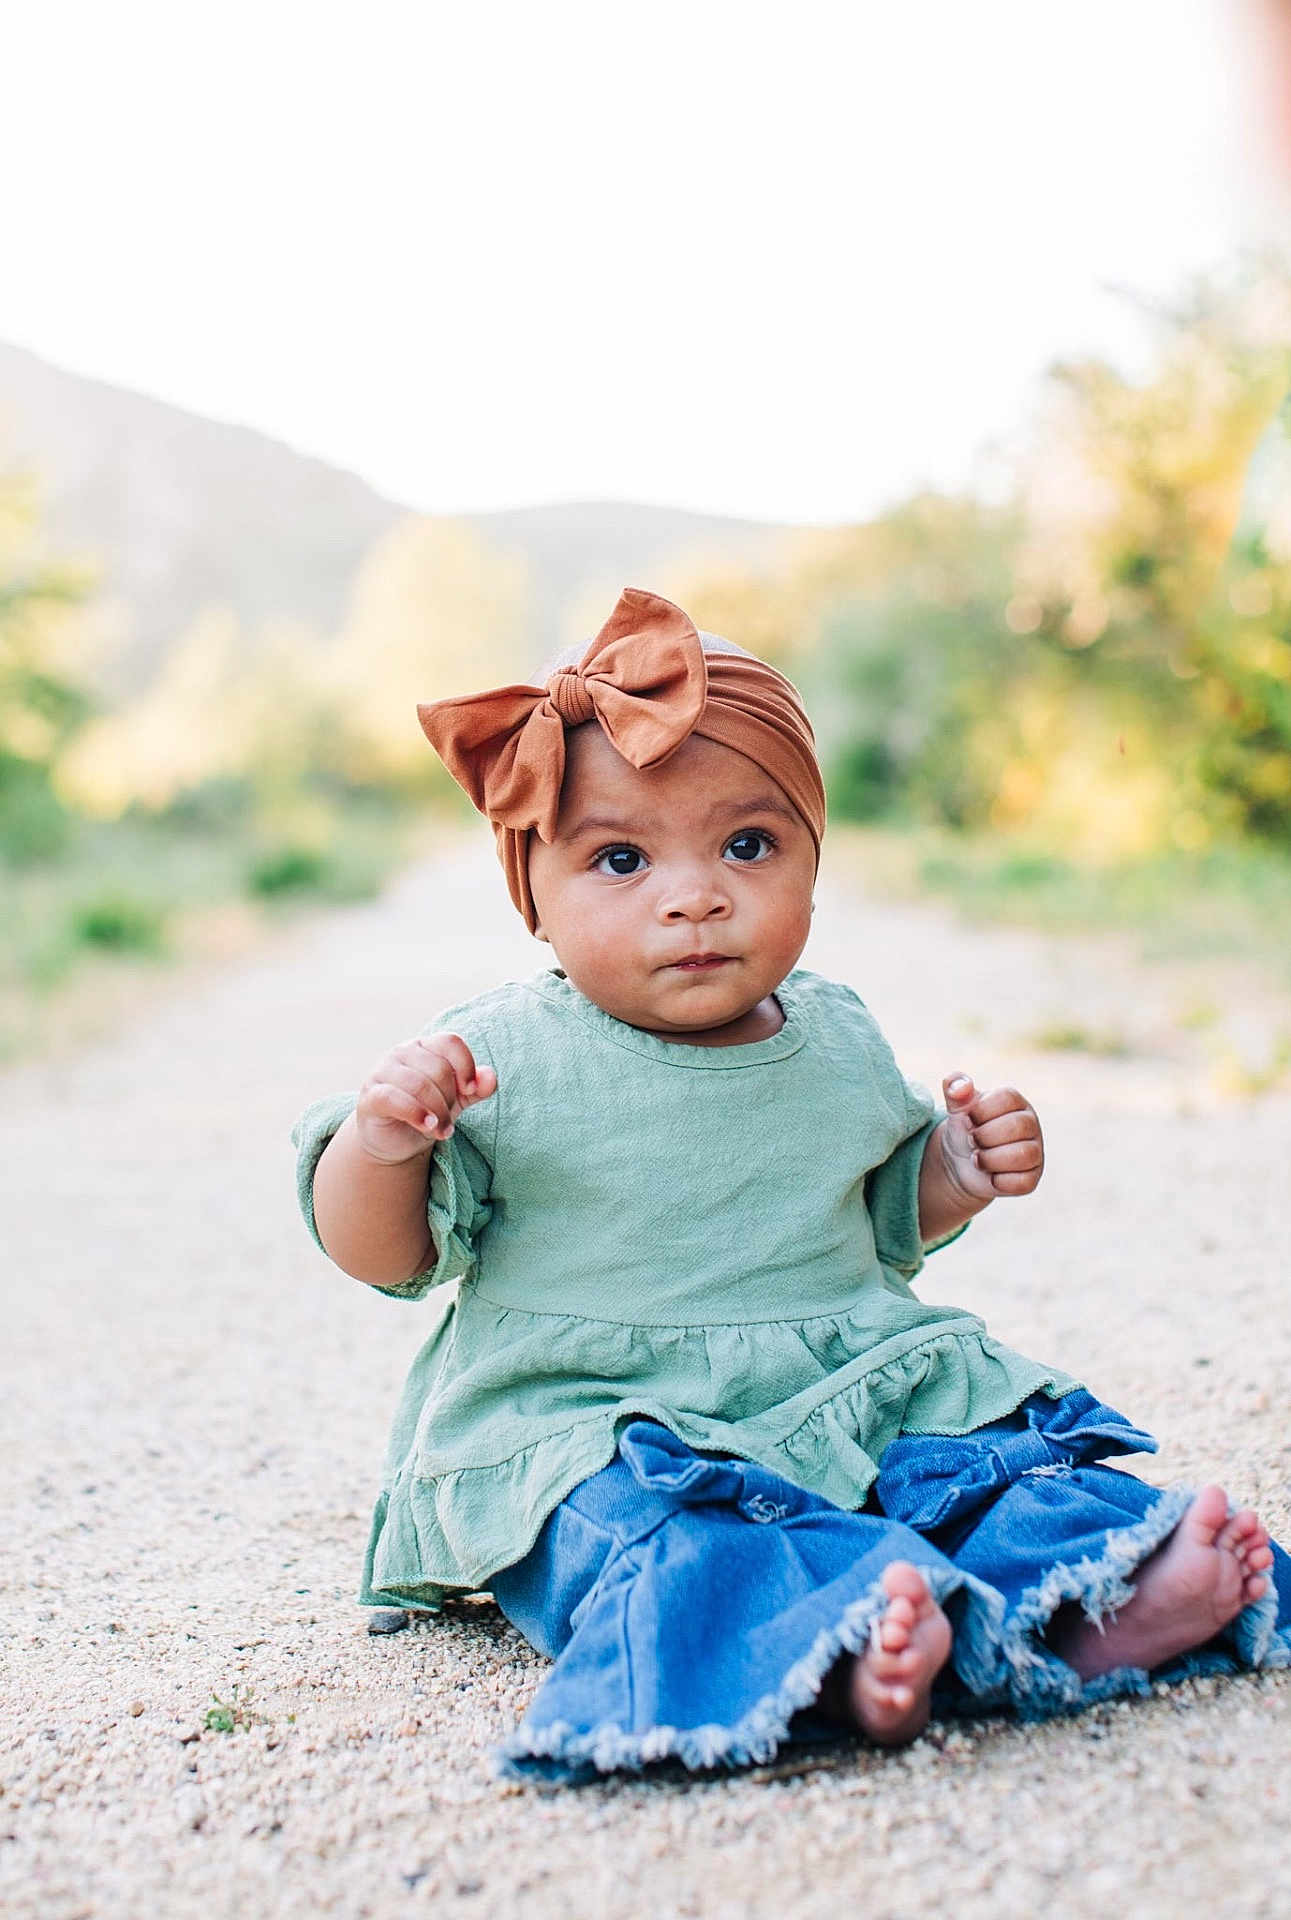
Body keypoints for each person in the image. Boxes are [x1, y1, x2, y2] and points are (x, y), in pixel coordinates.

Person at [293, 587, 1290, 1782]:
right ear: (535, 900)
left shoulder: (836, 1036)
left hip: (841, 1389)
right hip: (600, 1421)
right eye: (619, 859)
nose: (694, 894)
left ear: (815, 858)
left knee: (986, 1472)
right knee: (670, 1536)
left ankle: (1089, 1606)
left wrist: (952, 1171)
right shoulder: (502, 1058)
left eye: (748, 846)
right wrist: (386, 1145)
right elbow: (385, 1254)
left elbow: (873, 1221)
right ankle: (834, 1654)